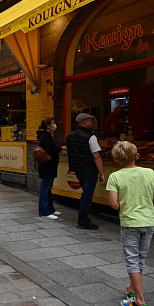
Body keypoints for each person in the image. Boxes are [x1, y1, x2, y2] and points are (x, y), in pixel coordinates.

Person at [106, 141, 154, 306]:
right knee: (140, 258)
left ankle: (139, 300)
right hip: (148, 221)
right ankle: (132, 288)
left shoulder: (115, 176)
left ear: (115, 159)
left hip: (130, 222)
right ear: (137, 156)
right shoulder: (150, 172)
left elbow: (113, 203)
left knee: (132, 260)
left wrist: (126, 205)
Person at [66, 113, 106, 230]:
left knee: (85, 194)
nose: (92, 123)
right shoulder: (90, 136)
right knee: (87, 196)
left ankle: (84, 218)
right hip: (89, 170)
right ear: (85, 122)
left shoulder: (70, 136)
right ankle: (83, 221)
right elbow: (96, 156)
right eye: (91, 121)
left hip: (78, 169)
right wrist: (102, 173)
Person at [36, 118, 65, 220]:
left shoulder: (47, 136)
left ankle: (50, 209)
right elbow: (50, 151)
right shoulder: (45, 137)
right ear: (48, 126)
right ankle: (44, 212)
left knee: (48, 189)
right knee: (45, 189)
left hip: (49, 166)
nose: (55, 125)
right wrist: (61, 148)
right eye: (53, 123)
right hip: (47, 166)